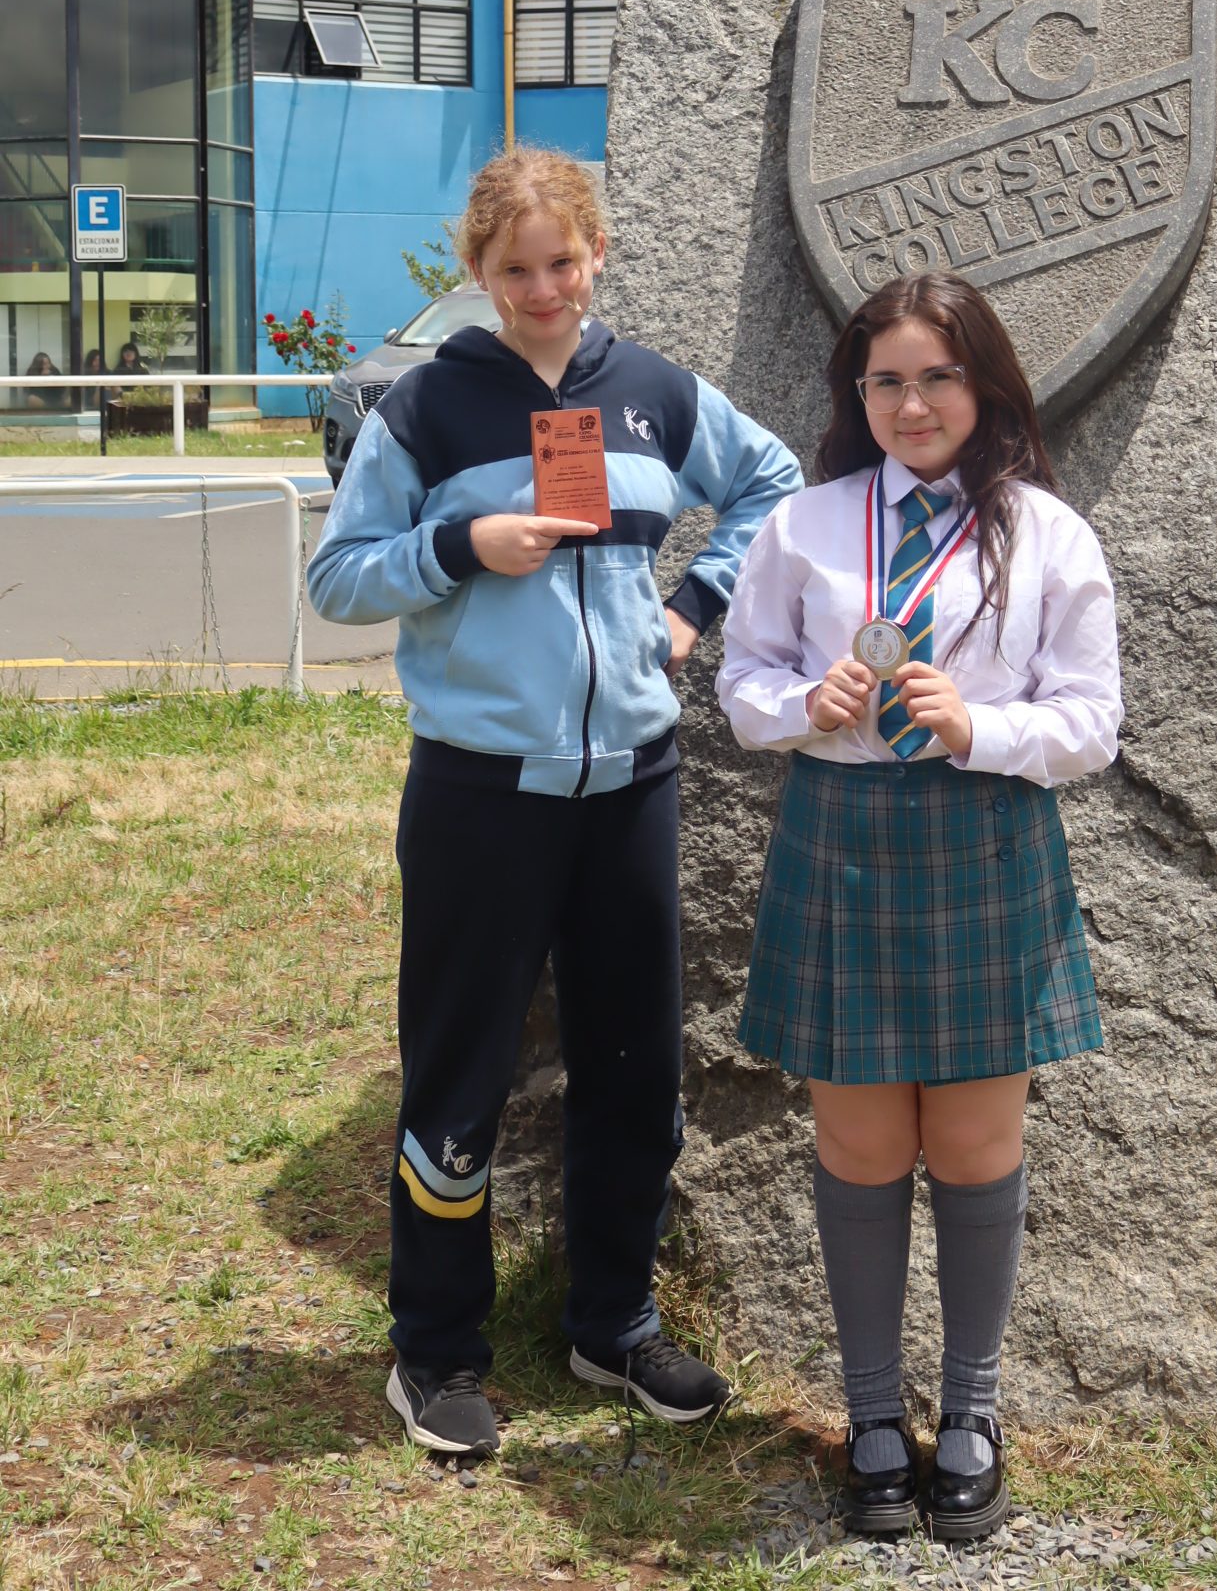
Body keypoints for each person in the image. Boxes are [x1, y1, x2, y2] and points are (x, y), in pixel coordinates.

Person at [307, 148, 801, 1463]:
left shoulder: (649, 395)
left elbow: (775, 480)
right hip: (482, 790)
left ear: (598, 256)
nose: (541, 287)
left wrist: (697, 606)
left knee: (636, 1067)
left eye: (562, 261)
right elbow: (341, 579)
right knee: (460, 1074)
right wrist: (463, 547)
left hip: (632, 783)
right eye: (514, 267)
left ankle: (612, 1322)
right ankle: (438, 1351)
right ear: (477, 272)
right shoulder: (428, 408)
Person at [717, 271, 1121, 1544]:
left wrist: (980, 725)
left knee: (975, 1149)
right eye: (884, 379)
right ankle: (874, 1415)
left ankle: (975, 1413)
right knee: (859, 1149)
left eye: (937, 376)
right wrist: (803, 709)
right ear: (857, 395)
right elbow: (741, 683)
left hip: (987, 840)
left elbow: (1092, 723)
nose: (911, 402)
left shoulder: (1047, 533)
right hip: (839, 838)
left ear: (985, 385)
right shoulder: (808, 525)